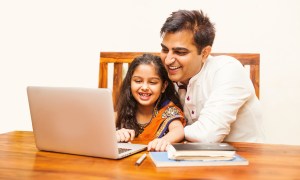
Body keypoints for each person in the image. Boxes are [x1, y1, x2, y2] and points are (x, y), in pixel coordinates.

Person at [159, 10, 264, 143]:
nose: (168, 60)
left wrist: (175, 132)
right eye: (164, 50)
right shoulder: (167, 77)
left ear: (204, 53)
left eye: (180, 52)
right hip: (189, 157)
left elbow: (208, 135)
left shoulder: (228, 69)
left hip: (245, 158)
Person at [115, 53, 186, 151]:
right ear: (130, 83)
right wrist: (115, 134)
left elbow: (178, 130)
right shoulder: (124, 108)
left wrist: (164, 141)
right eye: (138, 81)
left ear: (163, 86)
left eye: (152, 82)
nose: (144, 87)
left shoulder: (168, 110)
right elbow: (100, 128)